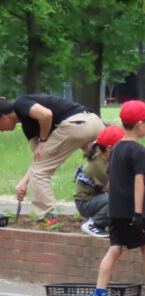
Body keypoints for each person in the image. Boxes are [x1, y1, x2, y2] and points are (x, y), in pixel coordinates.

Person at [87, 101, 145, 296]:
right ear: (139, 124)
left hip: (116, 209)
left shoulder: (116, 147)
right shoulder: (138, 150)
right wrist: (138, 213)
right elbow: (139, 182)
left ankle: (99, 293)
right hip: (133, 211)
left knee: (115, 248)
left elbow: (110, 181)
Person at [0, 94, 104, 228]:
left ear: (3, 116)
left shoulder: (20, 103)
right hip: (95, 123)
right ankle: (111, 213)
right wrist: (23, 183)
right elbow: (39, 160)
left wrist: (43, 140)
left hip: (75, 124)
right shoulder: (28, 127)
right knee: (101, 167)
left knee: (40, 173)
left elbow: (46, 115)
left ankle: (47, 219)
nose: (1, 131)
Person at [76, 125, 125, 238]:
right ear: (109, 148)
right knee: (116, 199)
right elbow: (113, 189)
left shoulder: (103, 157)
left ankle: (105, 225)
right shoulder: (99, 166)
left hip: (95, 199)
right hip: (85, 202)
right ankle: (93, 224)